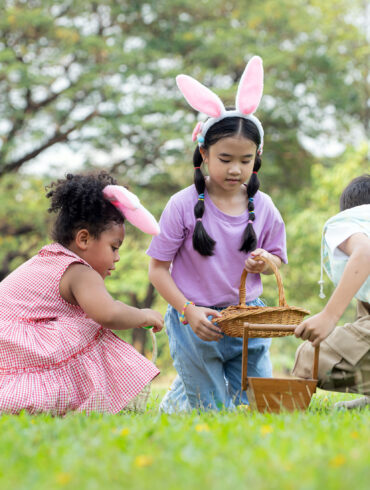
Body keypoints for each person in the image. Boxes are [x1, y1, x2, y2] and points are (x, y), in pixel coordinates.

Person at [147, 56, 287, 412]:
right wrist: (188, 311)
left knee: (258, 403)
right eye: (225, 159)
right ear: (204, 154)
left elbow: (276, 260)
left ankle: (190, 387)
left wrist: (265, 262)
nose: (236, 169)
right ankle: (183, 396)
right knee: (212, 409)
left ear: (257, 157)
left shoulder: (264, 205)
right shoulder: (181, 205)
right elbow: (157, 269)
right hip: (194, 318)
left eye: (245, 159)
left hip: (247, 317)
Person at [0, 171, 164, 415]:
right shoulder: (78, 270)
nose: (117, 258)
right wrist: (143, 315)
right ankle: (48, 400)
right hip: (16, 343)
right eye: (114, 247)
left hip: (10, 347)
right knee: (90, 326)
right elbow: (108, 314)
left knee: (83, 322)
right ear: (84, 239)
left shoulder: (51, 257)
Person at [293, 174, 370, 409]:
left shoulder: (349, 221)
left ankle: (289, 406)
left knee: (307, 356)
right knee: (363, 306)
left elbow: (365, 252)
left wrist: (328, 317)